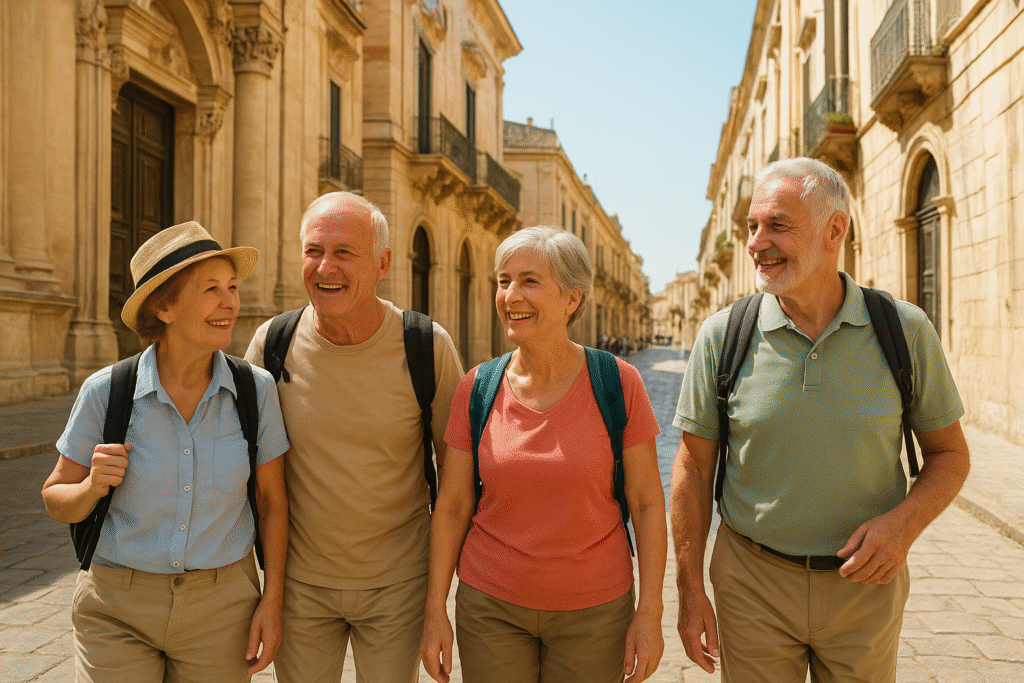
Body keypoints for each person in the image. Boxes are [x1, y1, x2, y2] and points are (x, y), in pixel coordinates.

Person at [671, 157, 970, 682]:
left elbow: (950, 454)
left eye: (778, 226)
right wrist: (690, 591)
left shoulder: (905, 330)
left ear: (836, 229)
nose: (756, 244)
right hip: (751, 584)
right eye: (752, 227)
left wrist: (903, 526)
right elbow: (693, 471)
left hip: (865, 592)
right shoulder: (721, 337)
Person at [42, 222, 290, 682]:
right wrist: (93, 486)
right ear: (165, 307)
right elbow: (56, 498)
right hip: (116, 609)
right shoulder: (106, 392)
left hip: (222, 611)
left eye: (232, 287)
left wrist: (272, 598)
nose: (230, 302)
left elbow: (273, 502)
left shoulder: (255, 391)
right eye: (211, 289)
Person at [421, 226, 668, 683]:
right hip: (490, 607)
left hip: (596, 613)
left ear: (572, 299)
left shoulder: (618, 383)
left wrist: (650, 613)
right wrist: (435, 609)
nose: (510, 295)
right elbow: (453, 505)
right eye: (503, 280)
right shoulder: (475, 388)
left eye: (529, 281)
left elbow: (649, 503)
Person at [243, 192, 463, 683]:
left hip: (398, 587)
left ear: (383, 262)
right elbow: (255, 482)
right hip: (299, 588)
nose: (325, 267)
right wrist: (267, 593)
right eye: (313, 250)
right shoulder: (270, 345)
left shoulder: (427, 347)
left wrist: (436, 604)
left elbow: (456, 483)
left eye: (345, 252)